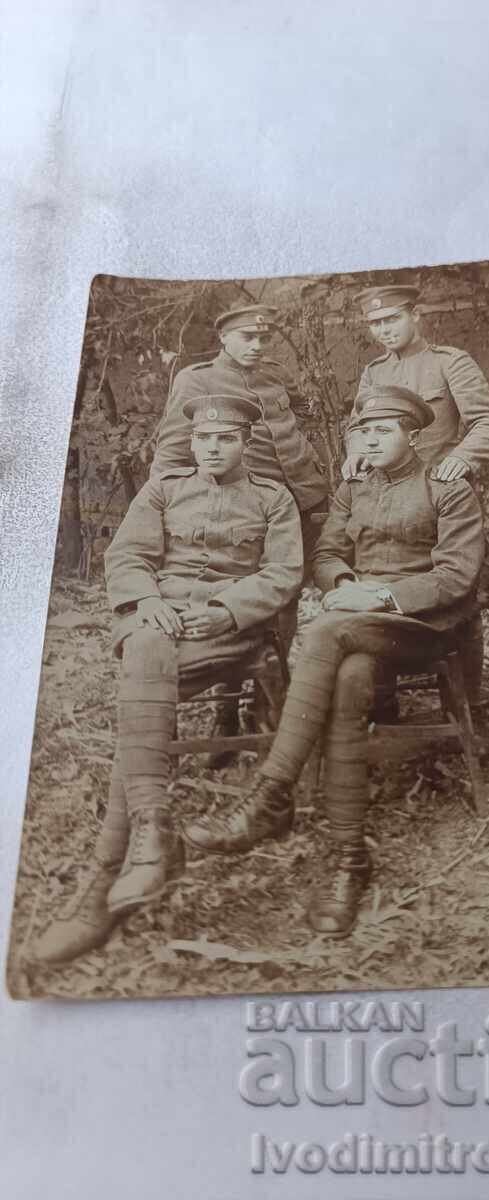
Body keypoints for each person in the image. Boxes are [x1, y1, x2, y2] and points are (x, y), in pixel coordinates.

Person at [183, 385, 485, 936]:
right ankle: (350, 858)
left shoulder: (448, 486)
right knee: (349, 678)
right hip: (356, 626)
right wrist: (344, 581)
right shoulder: (353, 486)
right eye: (363, 431)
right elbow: (326, 553)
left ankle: (273, 791)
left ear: (411, 434)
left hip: (425, 628)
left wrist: (378, 596)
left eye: (382, 430)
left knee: (325, 631)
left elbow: (458, 577)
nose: (370, 439)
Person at [32, 395, 303, 965]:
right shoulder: (163, 490)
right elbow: (126, 556)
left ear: (244, 443)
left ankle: (102, 887)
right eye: (204, 439)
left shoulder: (273, 499)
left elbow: (283, 573)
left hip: (229, 630)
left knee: (139, 692)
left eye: (225, 439)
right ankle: (153, 832)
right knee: (147, 645)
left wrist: (228, 609)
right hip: (162, 620)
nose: (212, 448)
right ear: (192, 442)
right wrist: (148, 598)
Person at [153, 302, 328, 752]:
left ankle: (265, 703)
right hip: (239, 512)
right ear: (223, 339)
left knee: (282, 601)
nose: (256, 345)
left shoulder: (273, 376)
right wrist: (163, 509)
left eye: (263, 338)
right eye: (247, 338)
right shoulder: (197, 380)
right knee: (230, 600)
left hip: (301, 502)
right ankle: (226, 714)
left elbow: (296, 422)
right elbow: (172, 453)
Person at [344, 283, 489, 722]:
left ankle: (466, 712)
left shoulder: (448, 362)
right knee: (381, 577)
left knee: (459, 595)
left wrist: (460, 458)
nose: (384, 330)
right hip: (389, 496)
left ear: (416, 315)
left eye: (392, 319)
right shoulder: (374, 373)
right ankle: (383, 703)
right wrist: (354, 454)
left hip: (440, 490)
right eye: (376, 323)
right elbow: (357, 426)